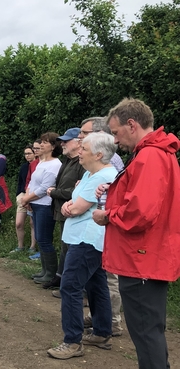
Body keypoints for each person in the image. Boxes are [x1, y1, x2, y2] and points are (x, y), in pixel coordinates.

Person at [91, 98, 180, 369]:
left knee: (144, 327)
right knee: (148, 326)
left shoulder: (150, 158)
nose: (115, 140)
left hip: (142, 256)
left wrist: (108, 214)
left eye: (116, 132)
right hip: (148, 255)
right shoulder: (157, 154)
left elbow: (141, 212)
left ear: (132, 124)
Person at [46, 132, 118, 360]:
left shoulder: (103, 175)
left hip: (87, 239)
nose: (79, 151)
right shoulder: (91, 173)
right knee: (97, 284)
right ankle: (102, 332)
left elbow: (77, 208)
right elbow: (75, 201)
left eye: (84, 148)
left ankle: (72, 341)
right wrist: (72, 205)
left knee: (70, 286)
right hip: (84, 236)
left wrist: (72, 207)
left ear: (98, 154)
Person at [78, 116, 124, 336]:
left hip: (104, 230)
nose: (80, 138)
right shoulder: (95, 163)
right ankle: (102, 319)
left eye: (84, 134)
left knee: (109, 279)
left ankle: (112, 321)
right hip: (98, 228)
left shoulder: (110, 163)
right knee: (99, 278)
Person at [43, 127, 85, 289]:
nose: (62, 144)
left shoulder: (82, 163)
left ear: (78, 142)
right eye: (62, 141)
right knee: (64, 246)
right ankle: (61, 277)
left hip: (73, 211)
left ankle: (70, 284)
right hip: (62, 210)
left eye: (66, 141)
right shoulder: (68, 160)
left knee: (71, 248)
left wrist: (55, 192)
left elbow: (79, 190)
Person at [20, 132, 62, 285]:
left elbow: (45, 188)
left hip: (45, 205)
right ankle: (44, 271)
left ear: (53, 146)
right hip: (36, 203)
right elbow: (32, 182)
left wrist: (27, 198)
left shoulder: (55, 164)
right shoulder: (42, 162)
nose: (41, 145)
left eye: (45, 142)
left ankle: (51, 273)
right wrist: (28, 198)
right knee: (39, 237)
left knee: (45, 239)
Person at [12, 144, 37, 253]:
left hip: (34, 195)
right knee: (19, 223)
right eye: (25, 154)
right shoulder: (24, 167)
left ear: (34, 153)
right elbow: (21, 183)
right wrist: (19, 195)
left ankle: (32, 247)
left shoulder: (39, 165)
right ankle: (20, 246)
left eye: (29, 153)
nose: (27, 156)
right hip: (22, 195)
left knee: (32, 223)